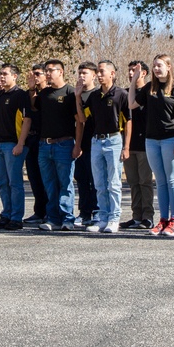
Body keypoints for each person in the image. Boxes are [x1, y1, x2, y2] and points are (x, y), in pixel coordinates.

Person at [129, 55, 174, 237]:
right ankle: (163, 220)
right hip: (151, 140)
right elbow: (132, 104)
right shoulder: (150, 88)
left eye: (159, 65)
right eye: (154, 65)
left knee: (172, 179)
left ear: (169, 67)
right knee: (160, 181)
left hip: (171, 139)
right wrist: (134, 81)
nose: (156, 68)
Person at [78, 60, 130, 233]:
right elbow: (82, 119)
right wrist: (78, 97)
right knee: (99, 182)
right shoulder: (94, 96)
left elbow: (129, 121)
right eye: (98, 72)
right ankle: (103, 217)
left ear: (112, 74)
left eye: (102, 72)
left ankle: (114, 218)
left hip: (114, 140)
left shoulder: (121, 94)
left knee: (113, 183)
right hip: (96, 141)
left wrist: (126, 146)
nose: (99, 75)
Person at [36, 60, 84, 231]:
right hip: (44, 145)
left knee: (65, 184)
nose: (47, 73)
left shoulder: (71, 92)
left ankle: (67, 219)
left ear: (61, 72)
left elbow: (80, 121)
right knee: (49, 184)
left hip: (64, 144)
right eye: (46, 71)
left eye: (51, 70)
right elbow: (32, 112)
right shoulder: (43, 94)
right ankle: (53, 218)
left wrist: (77, 145)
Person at [0, 64, 32, 230]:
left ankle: (16, 218)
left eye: (5, 74)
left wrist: (20, 143)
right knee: (2, 182)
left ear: (15, 76)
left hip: (13, 145)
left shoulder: (21, 95)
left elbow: (27, 120)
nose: (1, 77)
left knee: (15, 183)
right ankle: (6, 214)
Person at [121, 60, 155, 230]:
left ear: (144, 73)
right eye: (129, 70)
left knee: (145, 182)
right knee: (133, 182)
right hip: (129, 145)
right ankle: (136, 217)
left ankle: (148, 217)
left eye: (134, 70)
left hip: (146, 145)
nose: (130, 74)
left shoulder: (150, 92)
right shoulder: (126, 93)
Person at [22, 64, 50, 224]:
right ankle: (39, 212)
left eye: (38, 74)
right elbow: (30, 111)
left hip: (45, 139)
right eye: (32, 74)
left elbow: (36, 105)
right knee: (34, 177)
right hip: (31, 140)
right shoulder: (29, 94)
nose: (35, 77)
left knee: (47, 178)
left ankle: (50, 211)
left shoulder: (49, 93)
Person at [74, 62, 99, 227]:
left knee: (95, 180)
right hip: (79, 144)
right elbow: (77, 121)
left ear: (94, 75)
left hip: (95, 143)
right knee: (81, 180)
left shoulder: (97, 95)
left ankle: (97, 211)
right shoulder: (75, 94)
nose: (82, 76)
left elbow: (84, 119)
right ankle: (84, 213)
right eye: (80, 73)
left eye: (85, 73)